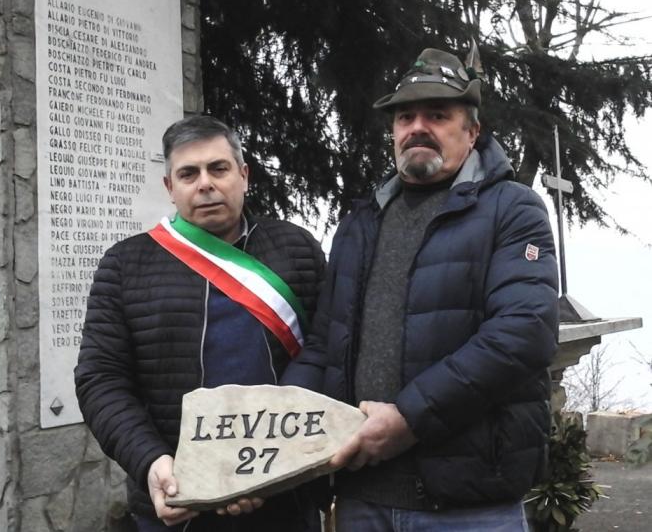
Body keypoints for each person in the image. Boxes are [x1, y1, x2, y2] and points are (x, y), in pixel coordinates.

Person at [282, 45, 559, 531]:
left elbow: (524, 332)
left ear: (471, 131)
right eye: (405, 116)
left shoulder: (513, 210)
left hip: (466, 505)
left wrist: (407, 420)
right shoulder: (359, 225)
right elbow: (326, 346)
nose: (417, 127)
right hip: (360, 497)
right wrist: (280, 427)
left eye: (437, 114)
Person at [75, 115, 326, 532]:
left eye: (219, 168)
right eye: (189, 173)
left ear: (244, 175)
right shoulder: (125, 264)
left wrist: (280, 453)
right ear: (170, 188)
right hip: (176, 501)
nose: (205, 183)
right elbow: (100, 379)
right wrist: (151, 462)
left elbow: (328, 349)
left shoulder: (296, 248)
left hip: (287, 494)